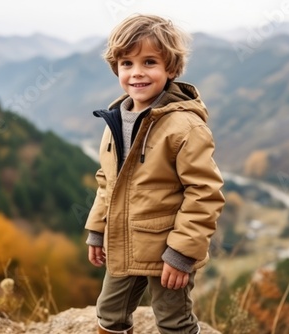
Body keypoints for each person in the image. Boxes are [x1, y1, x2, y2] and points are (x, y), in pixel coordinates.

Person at [85, 14, 225, 334]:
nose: (137, 73)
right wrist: (97, 230)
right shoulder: (115, 121)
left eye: (149, 62)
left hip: (167, 250)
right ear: (116, 68)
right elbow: (107, 182)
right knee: (109, 315)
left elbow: (204, 192)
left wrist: (182, 253)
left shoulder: (186, 126)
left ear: (171, 69)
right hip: (123, 242)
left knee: (173, 321)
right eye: (126, 63)